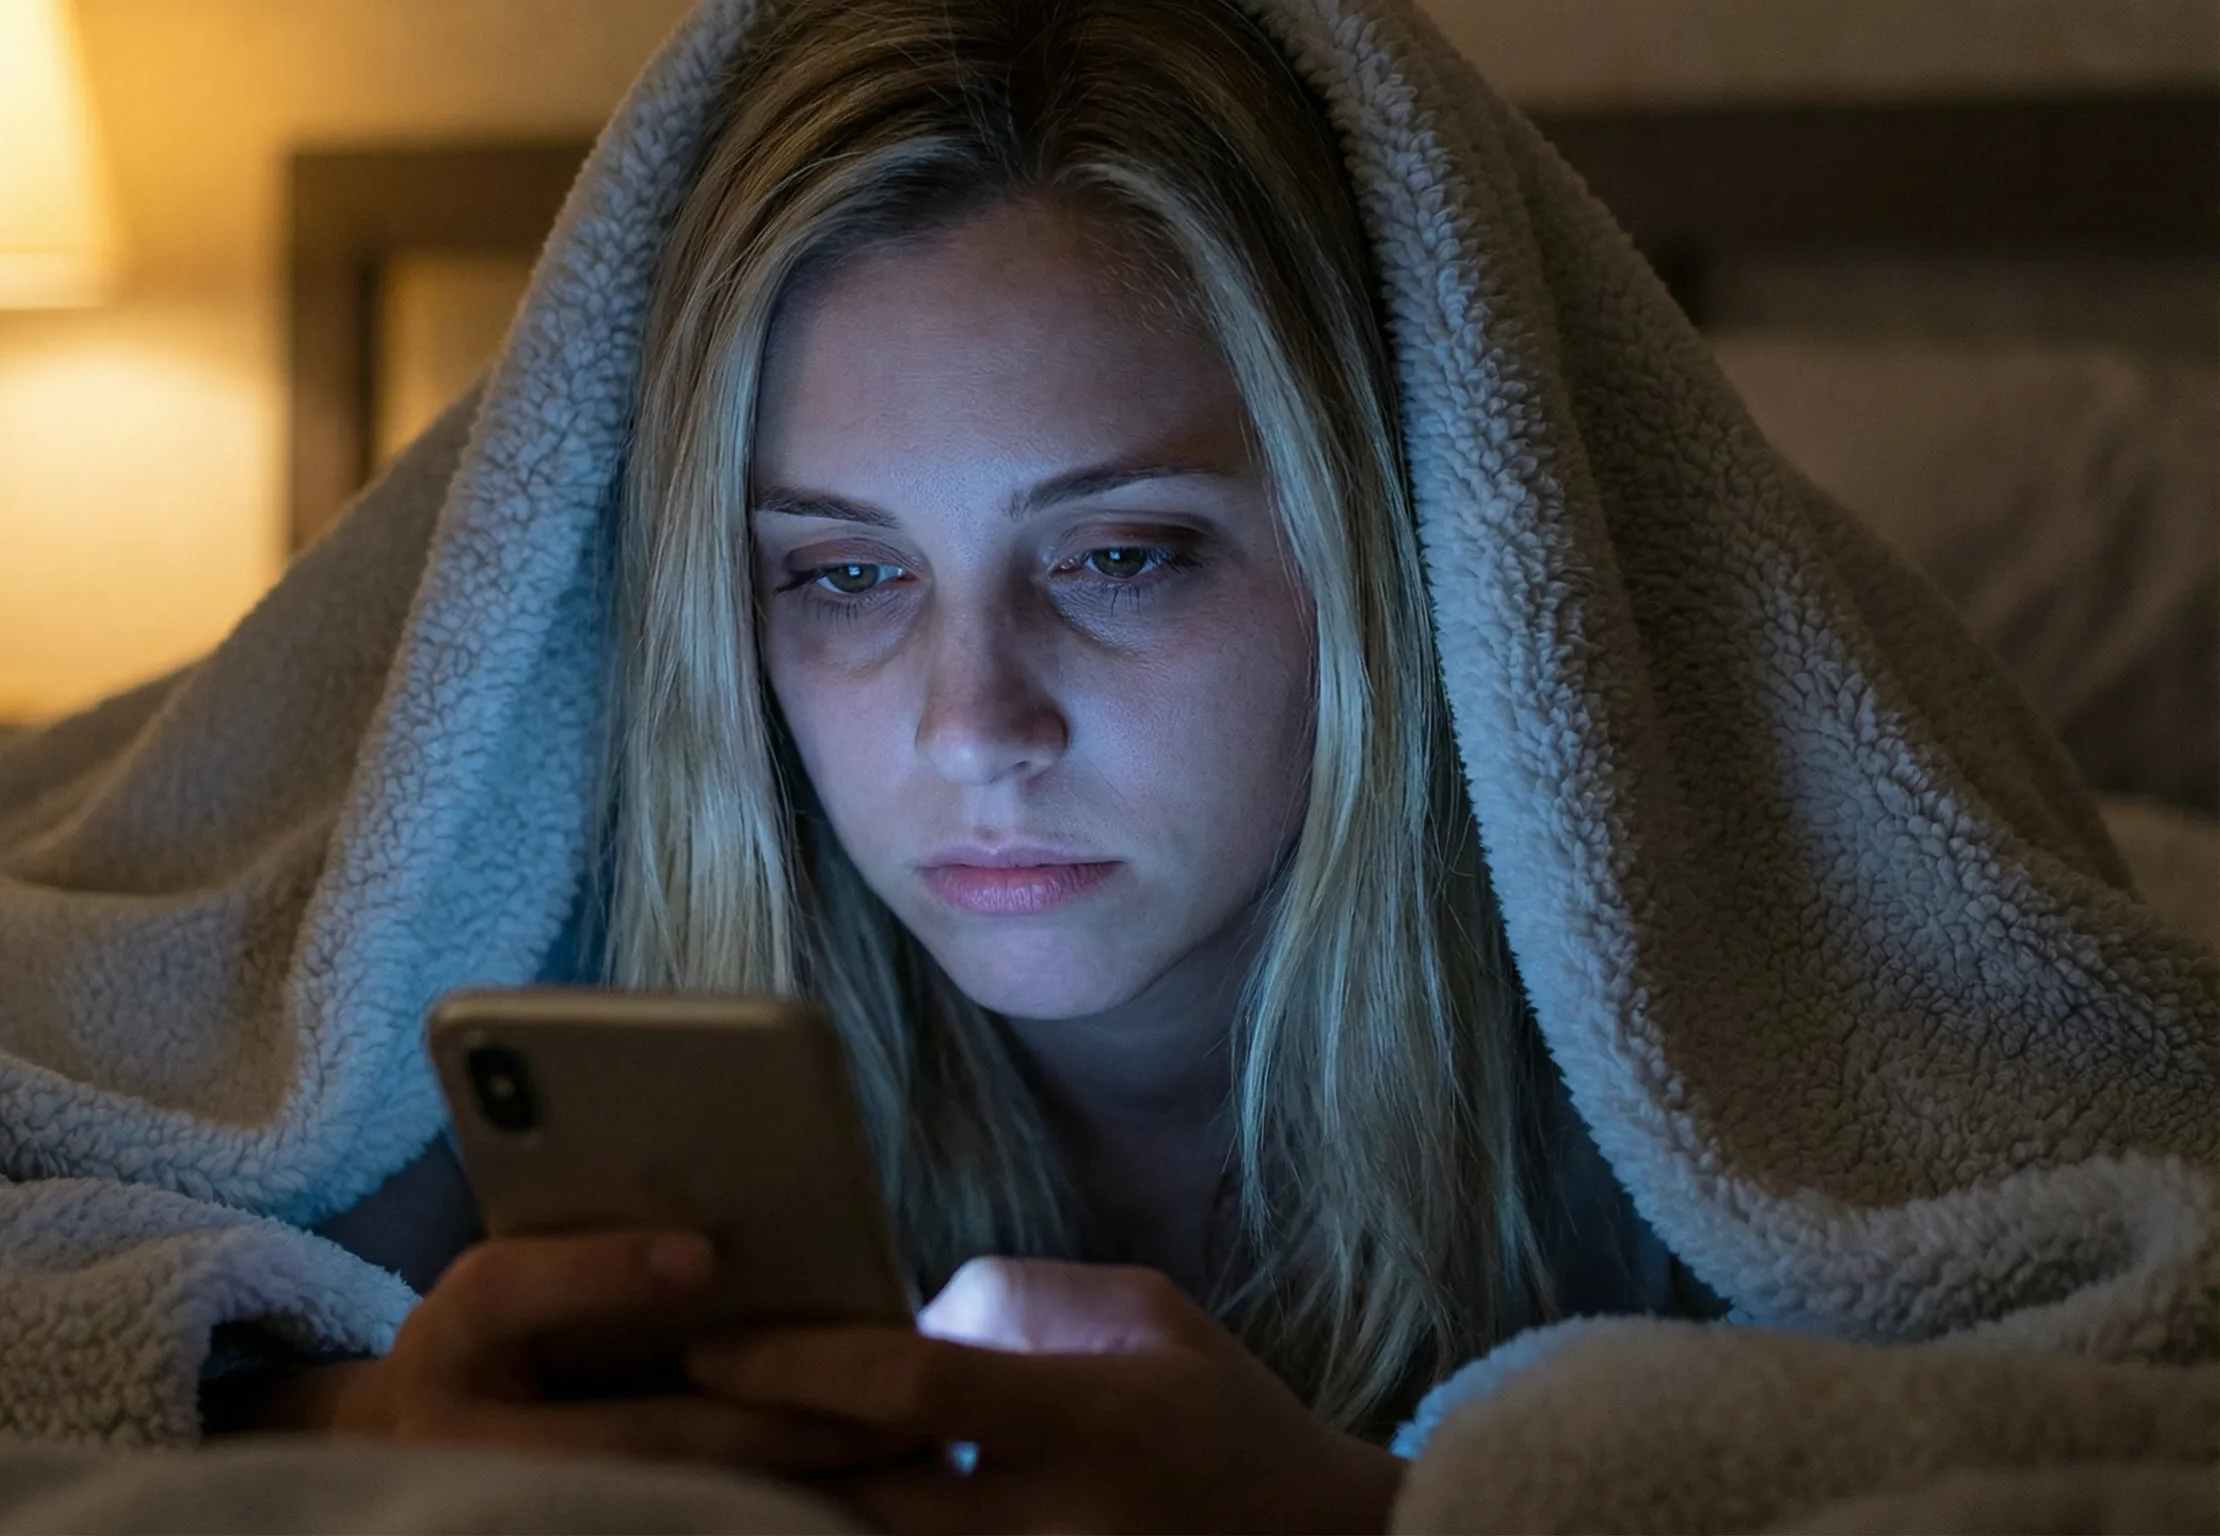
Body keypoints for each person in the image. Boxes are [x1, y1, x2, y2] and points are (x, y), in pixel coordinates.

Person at [267, 0, 1704, 1528]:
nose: (971, 727)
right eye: (844, 574)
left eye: (1123, 556)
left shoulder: (1688, 1064)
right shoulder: (525, 906)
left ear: (1400, 537)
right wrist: (363, 1407)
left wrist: (1363, 1514)